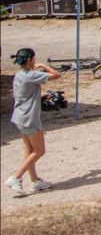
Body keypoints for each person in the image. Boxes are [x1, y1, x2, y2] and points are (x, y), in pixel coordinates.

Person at [5, 48, 61, 195]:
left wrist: (40, 98)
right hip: (29, 118)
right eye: (34, 59)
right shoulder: (32, 75)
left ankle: (35, 181)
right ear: (30, 60)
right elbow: (56, 75)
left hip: (19, 116)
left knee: (29, 151)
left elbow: (26, 93)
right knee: (39, 151)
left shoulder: (18, 75)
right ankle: (16, 178)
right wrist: (44, 65)